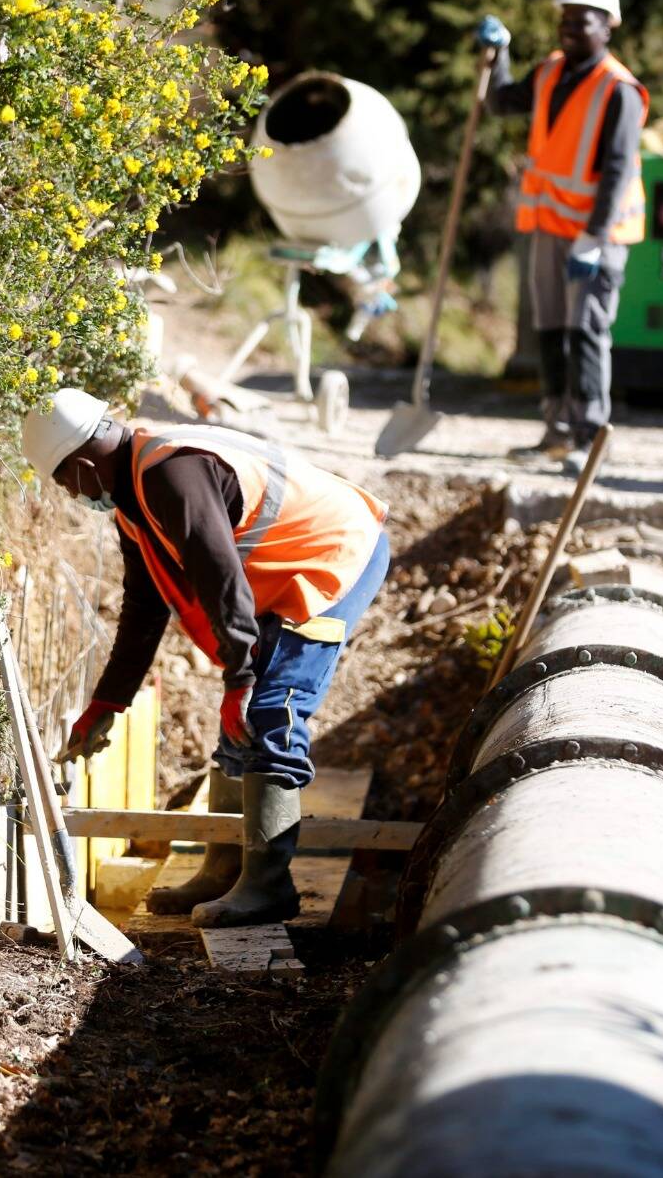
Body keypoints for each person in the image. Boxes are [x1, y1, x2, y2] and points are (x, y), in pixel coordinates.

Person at [20, 388, 392, 928]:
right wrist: (108, 700)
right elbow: (144, 608)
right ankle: (225, 870)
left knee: (272, 708)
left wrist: (241, 676)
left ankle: (267, 886)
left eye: (64, 484)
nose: (71, 495)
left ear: (80, 465)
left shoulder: (173, 475)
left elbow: (220, 578)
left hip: (334, 556)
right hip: (281, 572)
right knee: (241, 720)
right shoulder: (134, 500)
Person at [478, 0, 649, 473]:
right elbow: (500, 101)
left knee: (588, 332)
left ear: (608, 28)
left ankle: (590, 438)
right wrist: (499, 52)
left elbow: (617, 170)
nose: (571, 29)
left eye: (584, 21)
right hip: (551, 227)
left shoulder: (620, 90)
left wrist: (592, 239)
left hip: (597, 234)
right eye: (566, 19)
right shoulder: (551, 71)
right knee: (551, 330)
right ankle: (555, 431)